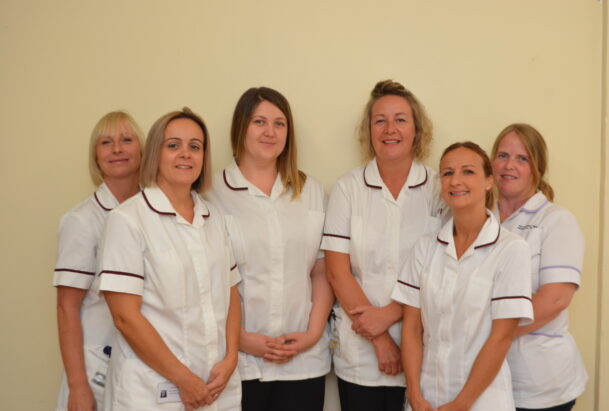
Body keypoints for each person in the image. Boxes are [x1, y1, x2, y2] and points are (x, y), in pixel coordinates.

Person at [98, 108, 241, 410]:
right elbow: (125, 317)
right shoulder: (127, 219)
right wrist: (183, 379)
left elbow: (230, 293)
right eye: (173, 145)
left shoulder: (213, 217)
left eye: (195, 146)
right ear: (155, 154)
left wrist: (231, 358)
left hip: (215, 383)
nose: (185, 154)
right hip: (152, 389)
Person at [207, 87, 332, 411]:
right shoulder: (212, 193)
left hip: (303, 360)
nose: (270, 132)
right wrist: (242, 339)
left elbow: (320, 269)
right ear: (241, 128)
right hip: (238, 360)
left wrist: (312, 333)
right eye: (259, 121)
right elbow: (205, 281)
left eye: (279, 123)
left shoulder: (311, 191)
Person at [321, 80, 443, 411]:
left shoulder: (438, 187)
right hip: (360, 355)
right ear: (369, 130)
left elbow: (444, 272)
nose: (390, 129)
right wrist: (379, 338)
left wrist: (390, 314)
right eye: (380, 120)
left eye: (401, 119)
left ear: (417, 130)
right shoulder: (348, 189)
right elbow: (337, 272)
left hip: (425, 349)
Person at [393, 141, 534, 410]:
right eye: (447, 173)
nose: (456, 180)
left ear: (489, 181)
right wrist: (414, 394)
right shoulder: (425, 247)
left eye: (468, 172)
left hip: (482, 401)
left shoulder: (511, 249)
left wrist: (461, 403)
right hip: (426, 398)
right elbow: (411, 328)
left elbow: (501, 337)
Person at [491, 124, 587, 411]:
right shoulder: (480, 220)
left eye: (522, 159)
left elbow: (555, 299)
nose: (510, 166)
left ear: (537, 168)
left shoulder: (557, 221)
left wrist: (489, 334)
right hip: (487, 380)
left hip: (541, 384)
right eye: (503, 155)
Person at [53, 111, 143, 411]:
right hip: (95, 370)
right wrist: (78, 386)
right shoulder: (81, 220)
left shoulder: (152, 214)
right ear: (96, 156)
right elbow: (66, 307)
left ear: (142, 152)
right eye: (106, 142)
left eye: (126, 140)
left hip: (140, 370)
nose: (117, 149)